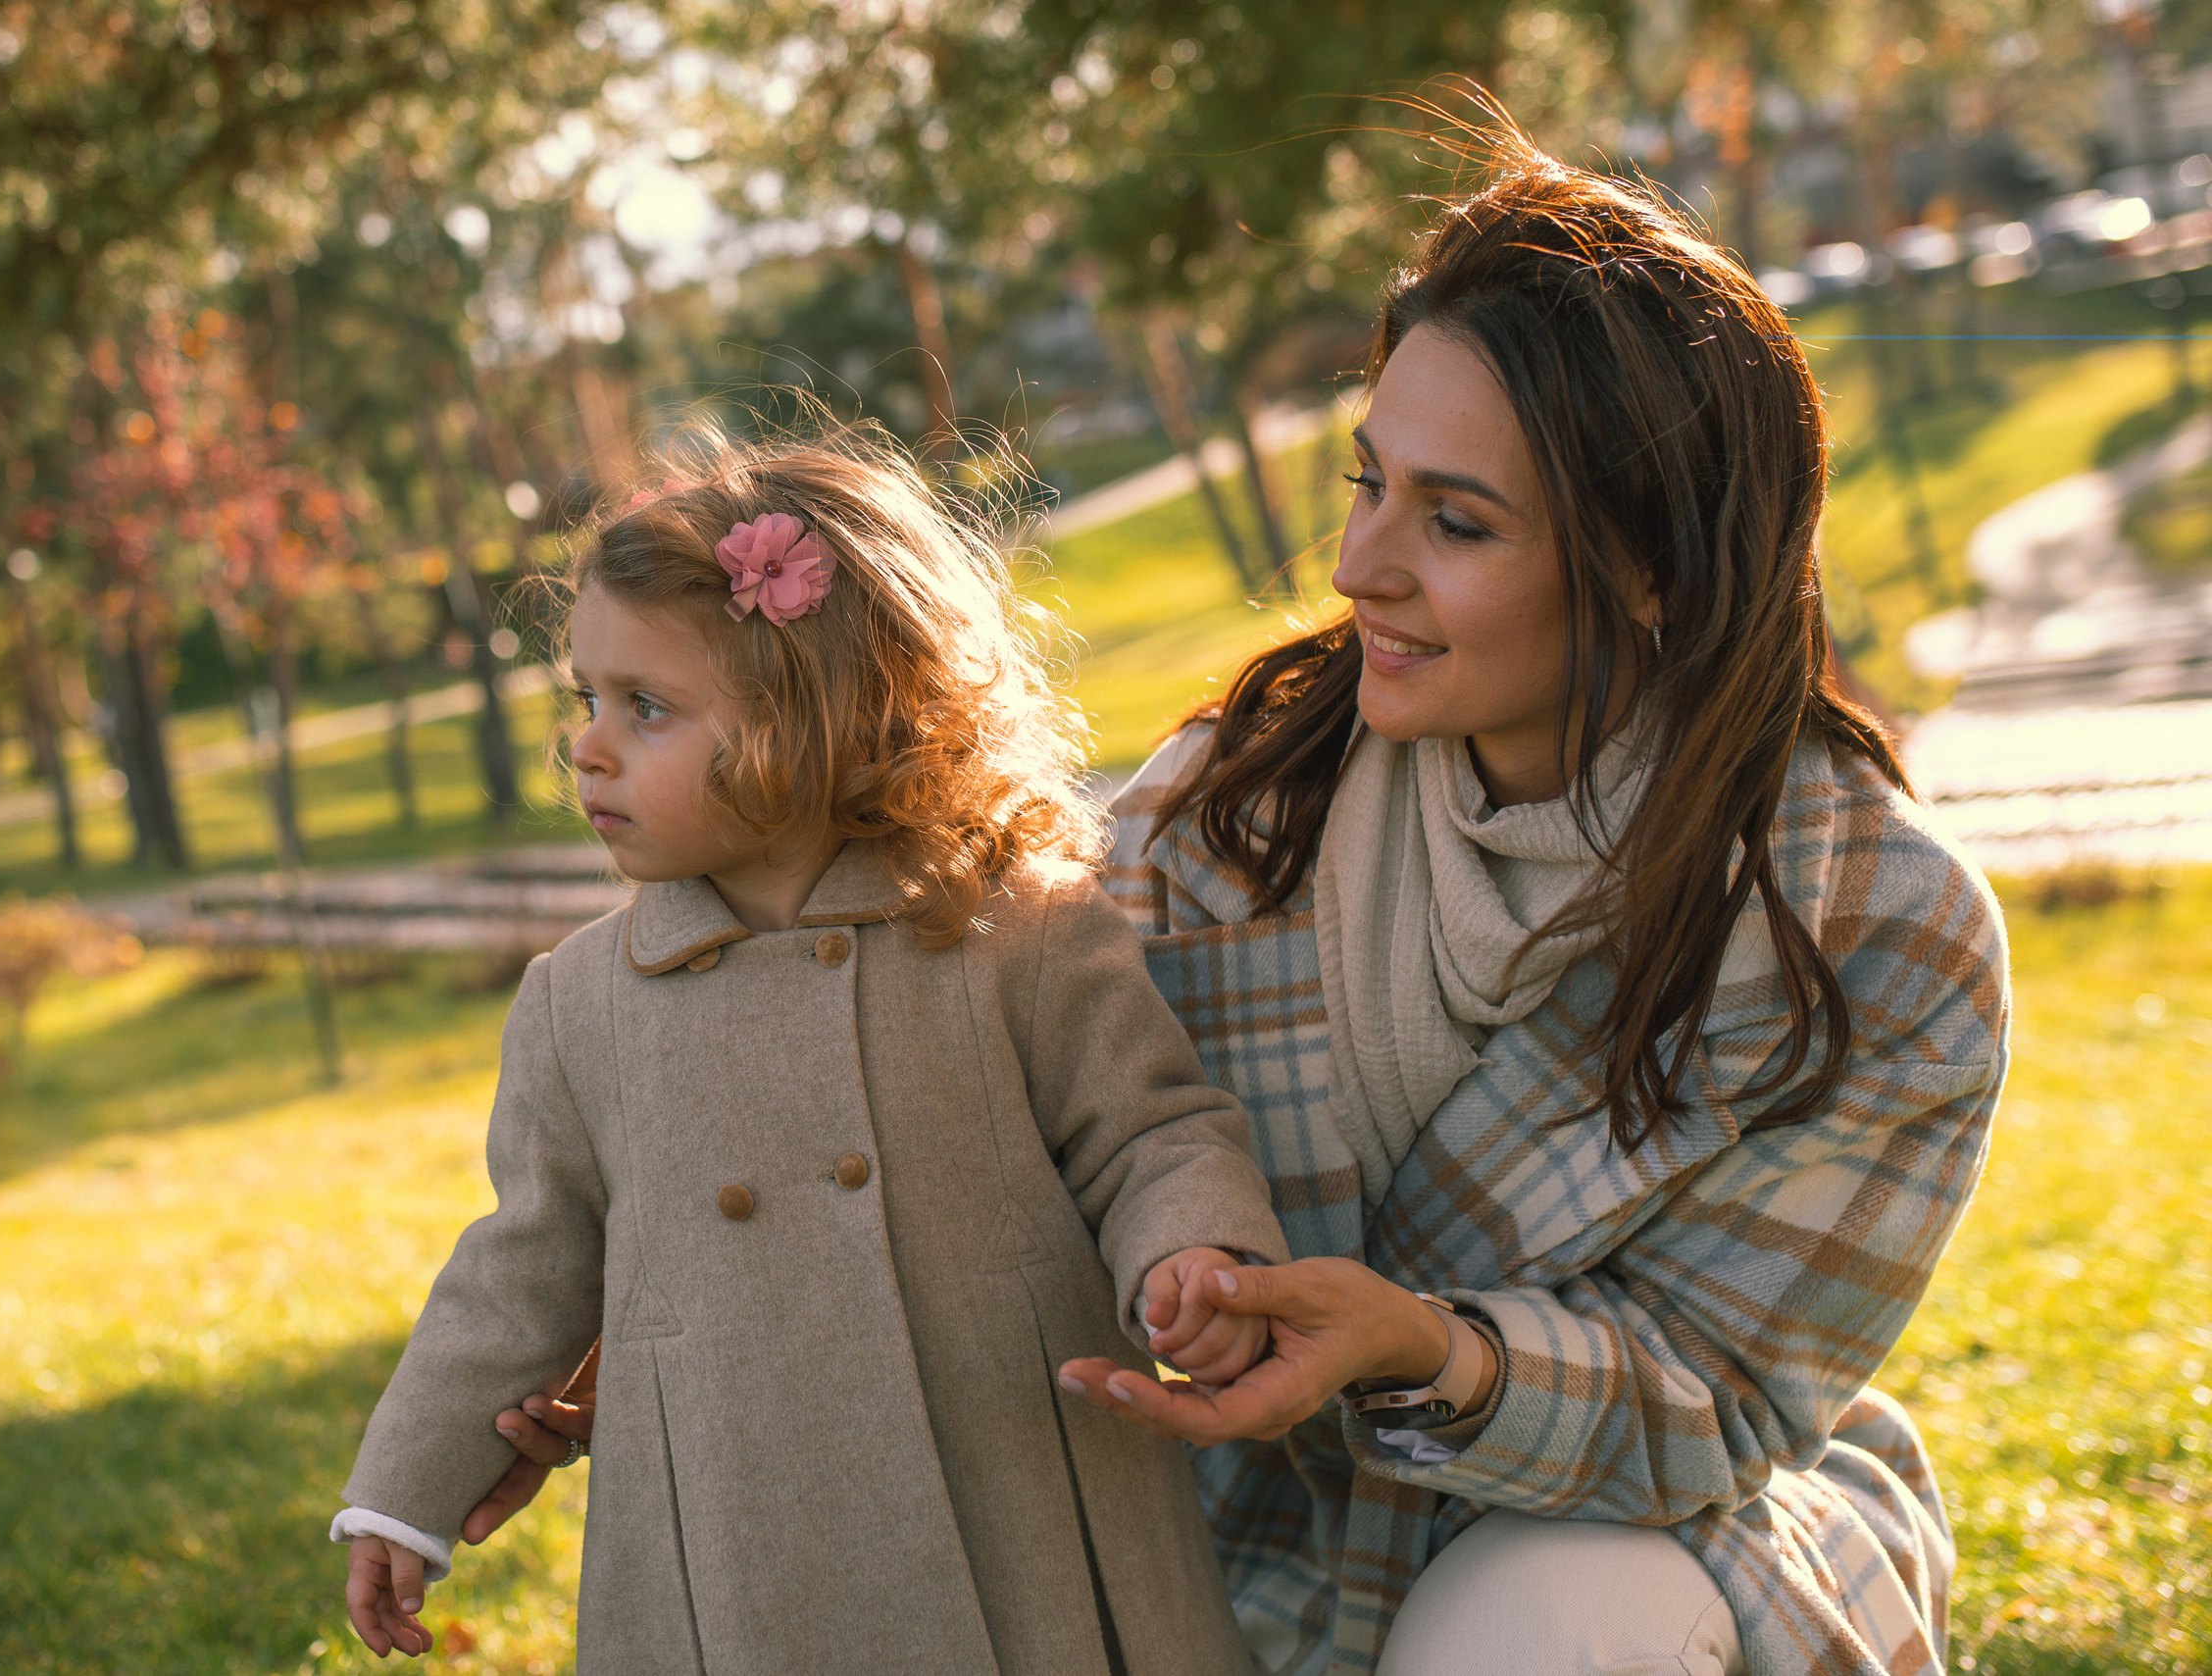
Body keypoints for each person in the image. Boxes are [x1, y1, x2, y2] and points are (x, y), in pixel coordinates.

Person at [1047, 130, 2010, 1676]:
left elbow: (1725, 1399)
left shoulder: (1880, 934)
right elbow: (1015, 1125)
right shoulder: (1227, 811)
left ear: (1649, 567)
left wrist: (1434, 1350)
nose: (1360, 563)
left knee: (1533, 1634)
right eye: (1369, 480)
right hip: (1263, 1547)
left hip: (1649, 1539)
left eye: (1457, 521)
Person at [330, 432, 1292, 1673]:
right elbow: (519, 1264)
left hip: (1019, 1504)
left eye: (648, 707)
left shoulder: (1013, 927)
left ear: (816, 715)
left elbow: (1151, 1130)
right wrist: (407, 1487)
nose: (589, 744)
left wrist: (1194, 1250)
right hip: (735, 1537)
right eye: (587, 697)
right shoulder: (582, 1004)